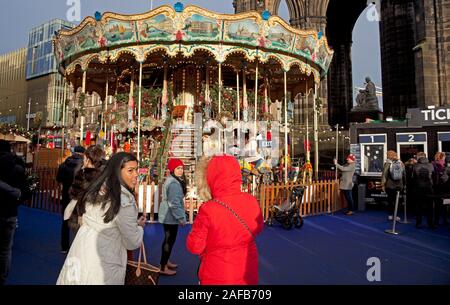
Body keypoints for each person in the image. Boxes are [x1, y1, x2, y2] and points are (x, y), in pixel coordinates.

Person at [56, 152, 146, 285]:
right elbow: (132, 241)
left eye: (136, 170)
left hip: (82, 251)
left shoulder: (96, 188)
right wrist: (139, 228)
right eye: (130, 170)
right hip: (105, 261)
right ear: (117, 171)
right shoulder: (124, 200)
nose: (136, 174)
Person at [187, 155, 264, 285]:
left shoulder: (208, 209)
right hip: (247, 269)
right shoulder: (251, 201)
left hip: (217, 274)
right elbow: (258, 228)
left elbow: (194, 246)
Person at [0, 140, 27, 285]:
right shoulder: (17, 167)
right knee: (5, 249)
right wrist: (16, 200)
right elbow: (25, 192)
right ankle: (3, 277)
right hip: (10, 212)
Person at [64, 145, 106, 232]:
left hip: (83, 214)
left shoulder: (82, 173)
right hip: (100, 215)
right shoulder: (104, 174)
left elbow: (76, 194)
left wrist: (80, 214)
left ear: (87, 159)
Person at [158, 158, 187, 276]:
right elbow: (174, 203)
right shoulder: (174, 183)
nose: (180, 171)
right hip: (170, 216)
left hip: (168, 215)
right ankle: (163, 266)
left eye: (181, 168)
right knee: (169, 241)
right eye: (178, 168)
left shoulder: (173, 180)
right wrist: (181, 218)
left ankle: (165, 262)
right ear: (172, 170)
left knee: (169, 240)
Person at [56, 145, 85, 253]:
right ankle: (78, 248)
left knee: (65, 220)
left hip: (66, 195)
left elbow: (59, 179)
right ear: (82, 154)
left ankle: (64, 246)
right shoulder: (83, 166)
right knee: (80, 221)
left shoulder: (63, 165)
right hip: (79, 197)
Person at [411, 152, 434, 229]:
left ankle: (418, 223)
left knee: (418, 207)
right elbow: (433, 177)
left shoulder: (415, 166)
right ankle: (430, 224)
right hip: (429, 188)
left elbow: (412, 178)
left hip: (418, 188)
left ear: (419, 157)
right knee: (430, 207)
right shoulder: (431, 165)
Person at [381, 150, 406, 221]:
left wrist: (382, 184)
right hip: (399, 185)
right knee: (397, 200)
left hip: (389, 185)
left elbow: (384, 175)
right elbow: (404, 174)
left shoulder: (387, 163)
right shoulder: (401, 163)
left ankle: (390, 215)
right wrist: (404, 184)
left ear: (389, 155)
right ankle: (396, 215)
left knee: (390, 200)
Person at [431, 152, 448, 227]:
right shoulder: (445, 165)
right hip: (444, 187)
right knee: (445, 204)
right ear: (442, 157)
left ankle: (436, 221)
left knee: (437, 205)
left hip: (436, 187)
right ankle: (444, 220)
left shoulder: (433, 164)